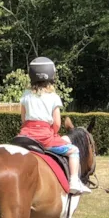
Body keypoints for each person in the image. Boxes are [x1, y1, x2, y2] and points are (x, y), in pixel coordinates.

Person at [17, 57, 91, 195]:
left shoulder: (25, 95)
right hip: (45, 138)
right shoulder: (53, 97)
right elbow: (56, 123)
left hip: (24, 137)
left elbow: (23, 119)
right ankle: (74, 181)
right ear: (51, 75)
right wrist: (52, 133)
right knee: (74, 150)